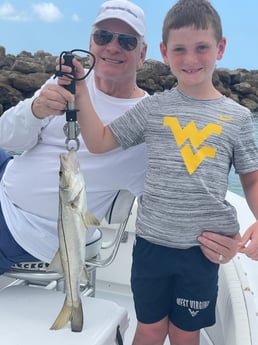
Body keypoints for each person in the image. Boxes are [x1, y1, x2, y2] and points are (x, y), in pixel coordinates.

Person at [61, 0, 258, 344]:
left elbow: (252, 179)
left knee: (186, 332)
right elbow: (100, 141)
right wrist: (79, 90)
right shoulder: (152, 107)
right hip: (151, 248)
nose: (190, 59)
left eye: (202, 47)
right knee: (150, 328)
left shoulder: (238, 118)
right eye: (179, 49)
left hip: (202, 252)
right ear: (165, 53)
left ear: (220, 48)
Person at [0, 0, 148, 273]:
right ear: (91, 43)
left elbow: (165, 197)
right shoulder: (65, 83)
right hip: (5, 180)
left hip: (27, 229)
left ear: (142, 54)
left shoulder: (146, 121)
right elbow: (7, 138)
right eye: (103, 36)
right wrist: (34, 111)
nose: (112, 47)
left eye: (126, 41)